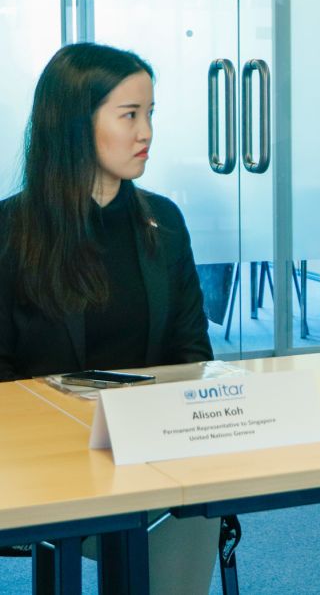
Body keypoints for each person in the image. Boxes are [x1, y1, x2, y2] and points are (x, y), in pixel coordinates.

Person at [0, 43, 219, 593]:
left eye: (150, 114)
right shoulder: (11, 232)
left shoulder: (163, 221)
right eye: (129, 115)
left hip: (150, 450)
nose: (146, 132)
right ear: (76, 125)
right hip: (42, 461)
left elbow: (192, 354)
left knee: (194, 503)